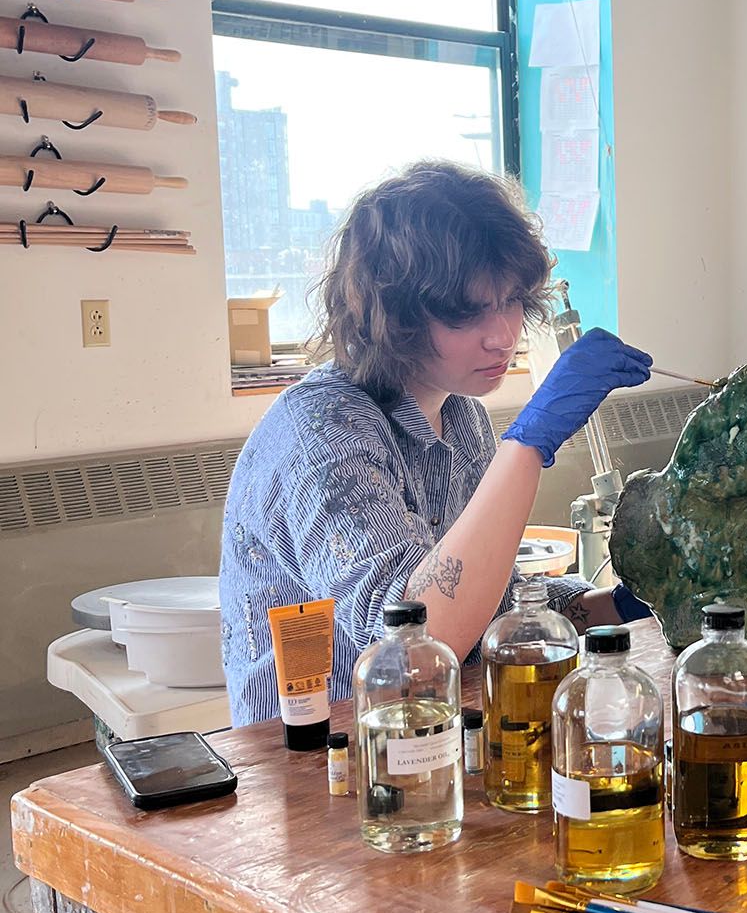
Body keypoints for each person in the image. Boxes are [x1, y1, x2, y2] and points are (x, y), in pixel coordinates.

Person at [219, 159, 652, 726]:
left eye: (512, 300)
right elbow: (416, 649)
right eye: (465, 313)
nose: (503, 335)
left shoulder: (461, 415)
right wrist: (525, 446)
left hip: (430, 734)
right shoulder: (320, 431)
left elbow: (483, 610)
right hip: (308, 759)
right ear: (393, 315)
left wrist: (631, 599)